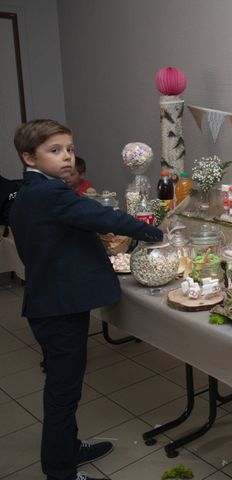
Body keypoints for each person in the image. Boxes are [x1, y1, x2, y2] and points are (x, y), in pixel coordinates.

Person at [10, 119, 163, 480]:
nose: (66, 157)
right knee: (63, 393)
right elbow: (100, 216)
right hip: (58, 307)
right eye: (55, 150)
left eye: (69, 149)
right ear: (29, 157)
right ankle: (60, 471)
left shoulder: (30, 191)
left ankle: (68, 446)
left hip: (50, 301)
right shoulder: (51, 194)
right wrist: (152, 230)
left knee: (66, 387)